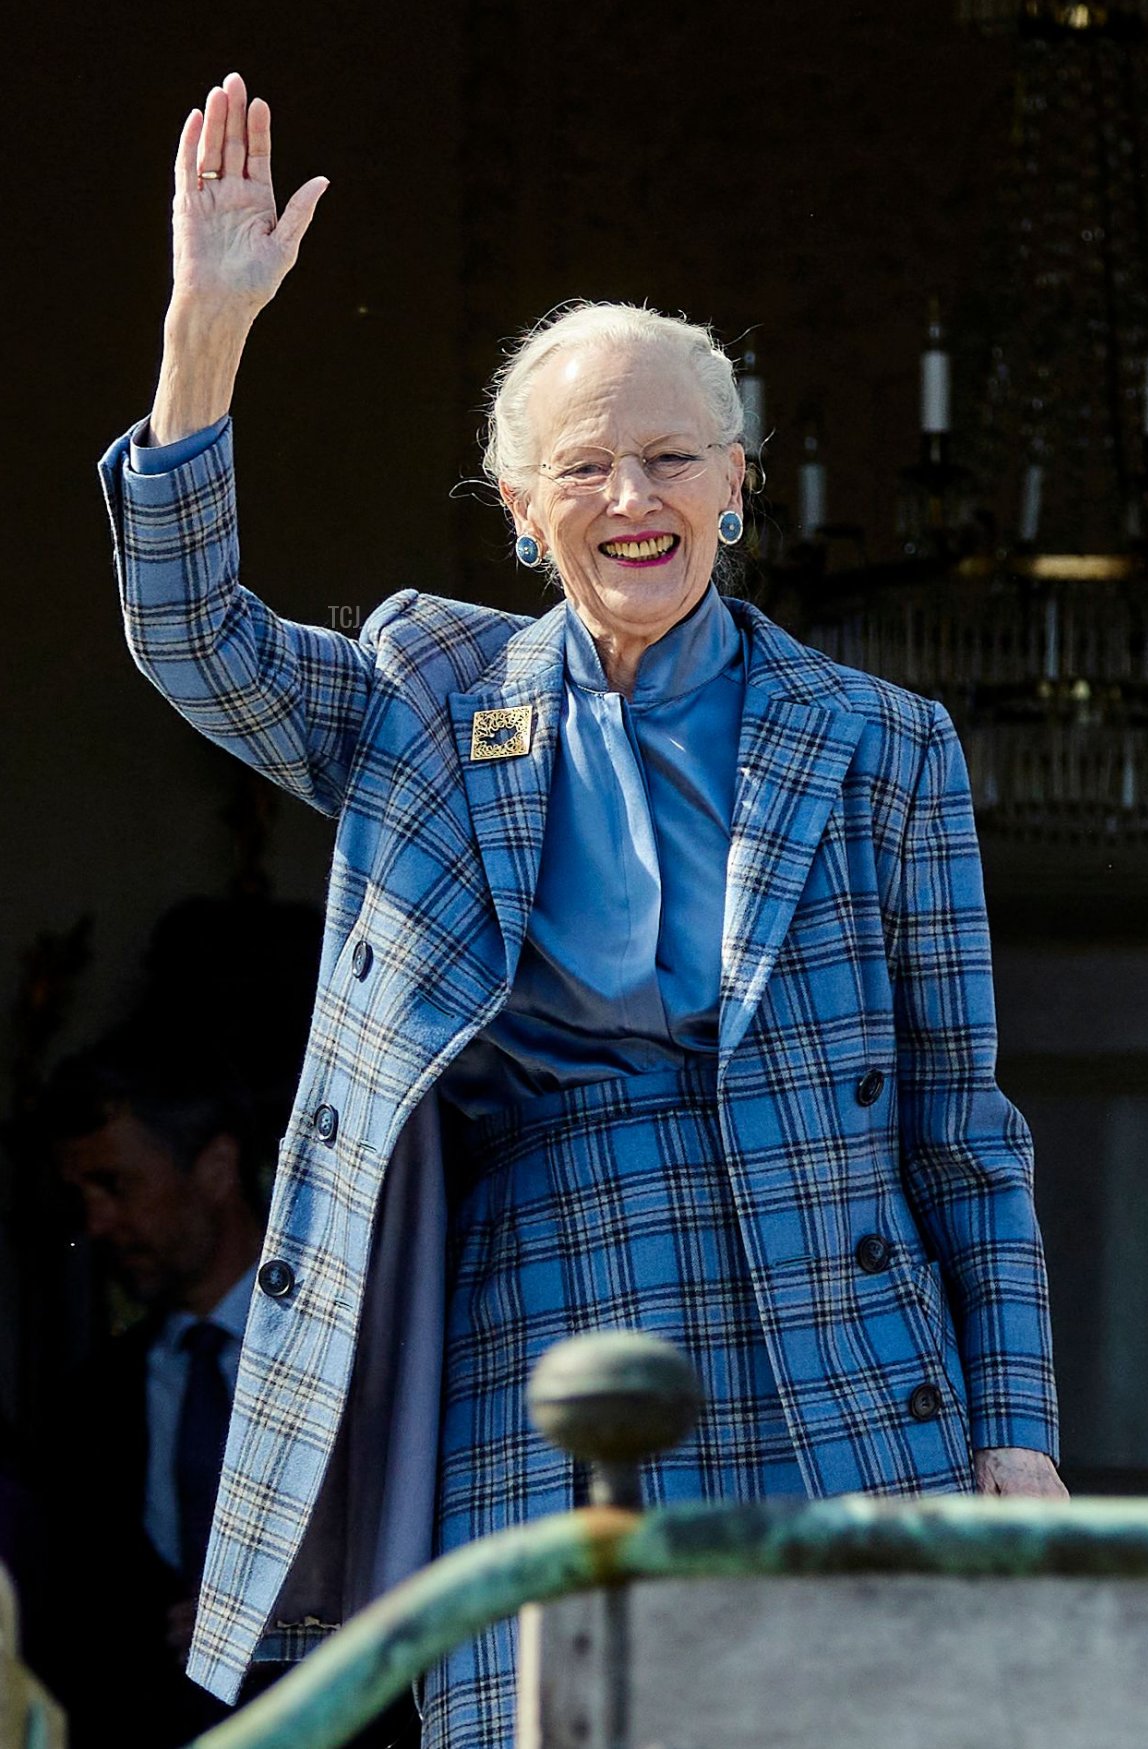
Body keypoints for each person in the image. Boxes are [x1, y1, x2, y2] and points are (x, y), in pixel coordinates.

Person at [98, 72, 1065, 1749]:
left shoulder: (885, 743)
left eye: (673, 454)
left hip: (836, 1350)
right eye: (588, 466)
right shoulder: (420, 690)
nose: (636, 496)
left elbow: (962, 1123)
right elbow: (194, 636)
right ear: (526, 514)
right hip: (546, 1326)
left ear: (739, 483)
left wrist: (1020, 1424)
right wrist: (207, 329)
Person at [45, 1028, 266, 1747]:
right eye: (82, 1194)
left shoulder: (355, 1360)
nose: (96, 1223)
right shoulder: (88, 1405)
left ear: (218, 1168)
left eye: (115, 1184)